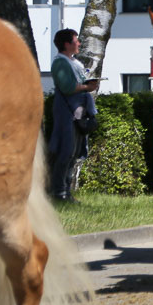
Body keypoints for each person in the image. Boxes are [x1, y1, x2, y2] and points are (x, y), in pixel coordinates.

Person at [49, 28, 99, 201]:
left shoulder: (73, 62)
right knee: (66, 152)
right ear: (66, 44)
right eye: (76, 41)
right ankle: (59, 192)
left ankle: (66, 191)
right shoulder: (60, 63)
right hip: (67, 112)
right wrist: (87, 87)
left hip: (77, 112)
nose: (79, 44)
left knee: (75, 151)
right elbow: (68, 87)